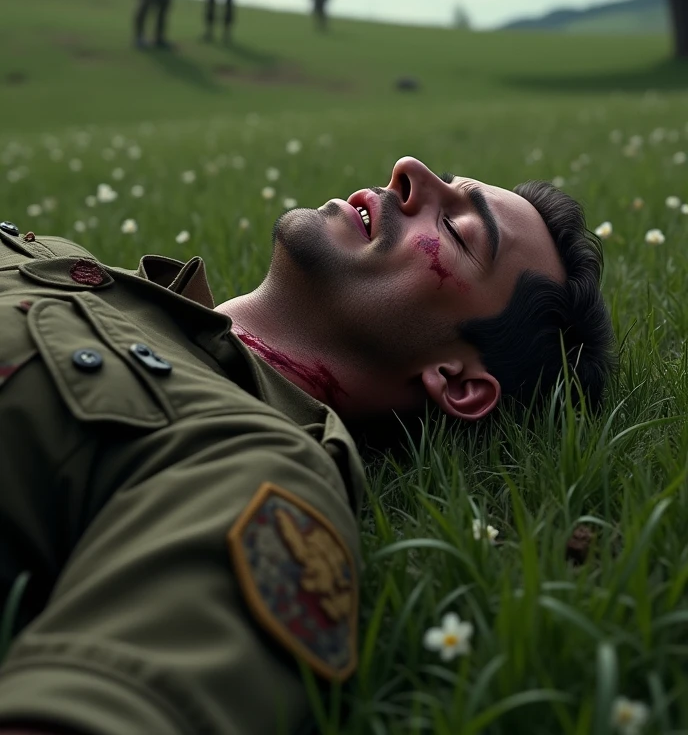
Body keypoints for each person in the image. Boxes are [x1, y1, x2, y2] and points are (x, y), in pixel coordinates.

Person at [0, 157, 614, 735]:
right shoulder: (93, 280)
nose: (409, 170)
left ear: (458, 382)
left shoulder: (253, 468)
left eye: (455, 227)